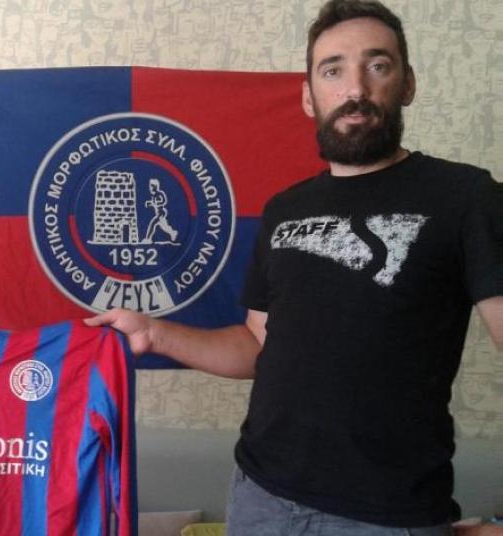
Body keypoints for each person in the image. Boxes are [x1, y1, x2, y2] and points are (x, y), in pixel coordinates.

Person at [87, 0, 503, 534]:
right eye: (333, 70)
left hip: (387, 518)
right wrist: (154, 333)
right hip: (259, 498)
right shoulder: (285, 209)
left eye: (377, 65)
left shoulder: (466, 196)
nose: (355, 89)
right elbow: (257, 346)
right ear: (309, 96)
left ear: (408, 84)